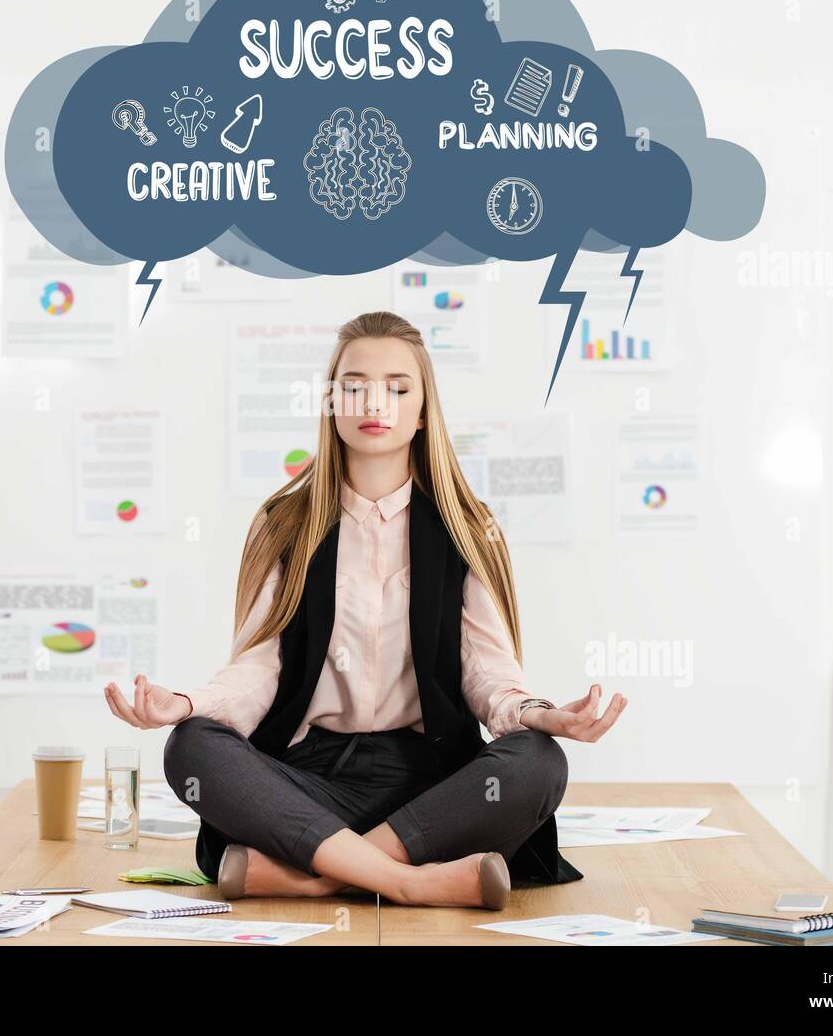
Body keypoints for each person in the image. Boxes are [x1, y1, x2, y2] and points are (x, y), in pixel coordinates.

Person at [105, 310, 626, 909]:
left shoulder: (469, 527)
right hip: (308, 784)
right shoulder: (284, 525)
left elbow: (489, 675)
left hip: (430, 793)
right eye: (353, 386)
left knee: (538, 760)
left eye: (397, 388)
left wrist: (543, 715)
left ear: (424, 410)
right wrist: (187, 704)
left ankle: (320, 875)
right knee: (191, 745)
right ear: (331, 404)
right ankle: (409, 881)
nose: (373, 401)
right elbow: (257, 670)